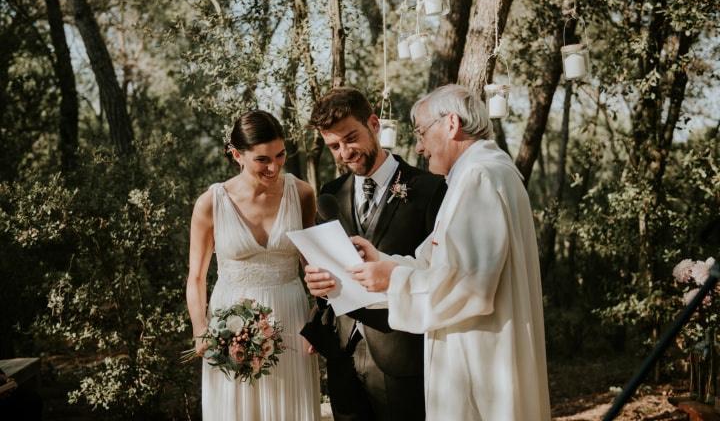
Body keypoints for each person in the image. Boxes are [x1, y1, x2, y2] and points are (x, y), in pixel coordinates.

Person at [345, 84, 551, 420]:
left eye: (422, 132)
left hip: (479, 355)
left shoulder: (480, 177)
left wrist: (392, 280)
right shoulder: (474, 175)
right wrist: (380, 261)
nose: (419, 146)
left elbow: (469, 284)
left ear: (451, 124)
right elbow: (436, 262)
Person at [303, 87, 446, 421]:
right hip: (343, 355)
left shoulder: (430, 188)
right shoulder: (329, 196)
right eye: (334, 146)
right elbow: (327, 268)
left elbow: (439, 271)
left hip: (403, 353)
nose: (344, 153)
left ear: (373, 123)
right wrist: (316, 283)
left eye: (351, 138)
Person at [186, 110, 321, 420]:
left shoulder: (301, 193)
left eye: (280, 155)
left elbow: (313, 264)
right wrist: (200, 329)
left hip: (291, 318)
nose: (274, 166)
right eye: (262, 159)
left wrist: (318, 316)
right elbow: (196, 276)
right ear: (237, 155)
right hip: (230, 325)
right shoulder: (211, 203)